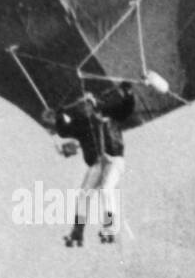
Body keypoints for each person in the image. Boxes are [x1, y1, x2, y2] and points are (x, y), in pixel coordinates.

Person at [50, 82, 135, 248]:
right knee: (84, 195)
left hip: (113, 159)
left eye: (87, 104)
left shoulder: (109, 114)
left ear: (93, 104)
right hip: (97, 163)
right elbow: (63, 131)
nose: (84, 108)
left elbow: (127, 108)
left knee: (106, 189)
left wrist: (128, 93)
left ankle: (109, 227)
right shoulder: (81, 124)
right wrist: (60, 116)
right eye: (82, 105)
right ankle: (78, 231)